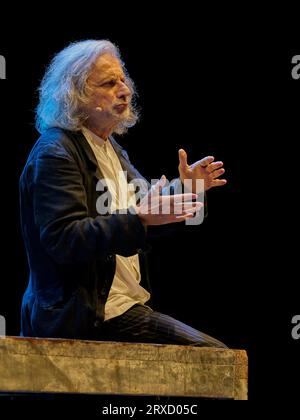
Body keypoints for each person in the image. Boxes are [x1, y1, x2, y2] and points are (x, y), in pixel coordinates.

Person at [19, 40, 227, 347]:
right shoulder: (56, 153)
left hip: (123, 309)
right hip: (84, 317)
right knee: (216, 361)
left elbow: (145, 211)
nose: (125, 90)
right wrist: (140, 217)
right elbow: (64, 239)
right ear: (76, 94)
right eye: (109, 83)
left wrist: (188, 188)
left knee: (216, 362)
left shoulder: (111, 149)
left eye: (122, 79)